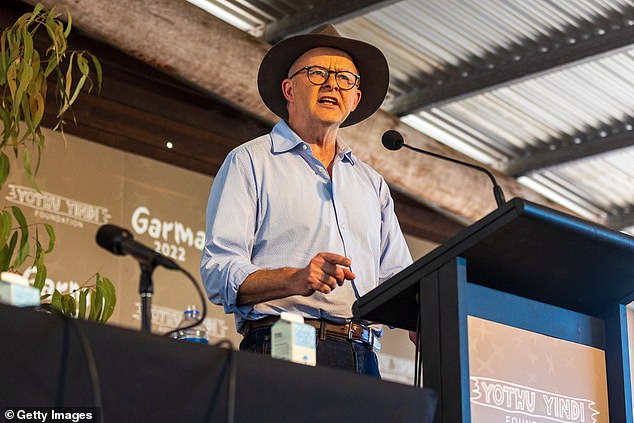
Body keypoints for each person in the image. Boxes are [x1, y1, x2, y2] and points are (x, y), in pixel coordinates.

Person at [201, 25, 412, 377]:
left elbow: (397, 278)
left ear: (355, 99)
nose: (332, 84)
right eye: (317, 73)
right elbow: (218, 270)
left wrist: (423, 315)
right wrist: (294, 279)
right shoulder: (250, 162)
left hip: (364, 355)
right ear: (289, 89)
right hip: (285, 342)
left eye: (345, 78)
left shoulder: (371, 184)